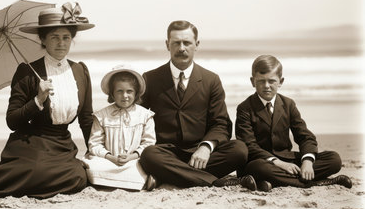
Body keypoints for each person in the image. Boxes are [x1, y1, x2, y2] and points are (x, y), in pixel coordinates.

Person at [0, 3, 95, 200]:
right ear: (43, 39)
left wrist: (93, 152)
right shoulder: (27, 72)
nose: (61, 43)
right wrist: (38, 100)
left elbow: (86, 118)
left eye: (66, 37)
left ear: (72, 39)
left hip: (63, 145)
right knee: (38, 171)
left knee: (78, 178)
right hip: (32, 143)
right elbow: (12, 121)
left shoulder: (80, 71)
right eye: (54, 37)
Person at [139, 20, 256, 190]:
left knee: (239, 150)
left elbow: (221, 123)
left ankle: (169, 176)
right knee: (149, 155)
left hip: (202, 154)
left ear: (197, 44)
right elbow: (136, 115)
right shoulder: (150, 78)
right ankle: (215, 182)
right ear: (167, 45)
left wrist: (206, 147)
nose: (181, 48)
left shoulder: (211, 80)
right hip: (165, 153)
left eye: (187, 42)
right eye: (176, 43)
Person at [235, 54, 352, 191]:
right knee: (259, 168)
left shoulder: (288, 104)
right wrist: (279, 164)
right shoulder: (245, 108)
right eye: (261, 81)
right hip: (261, 161)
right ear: (252, 81)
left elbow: (305, 137)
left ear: (281, 82)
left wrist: (307, 162)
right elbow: (250, 145)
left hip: (287, 159)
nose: (266, 86)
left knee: (334, 159)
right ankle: (316, 182)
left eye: (271, 81)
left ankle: (275, 182)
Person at [83, 65, 156, 190]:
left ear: (136, 92)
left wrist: (131, 157)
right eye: (119, 91)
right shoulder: (101, 116)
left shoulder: (145, 115)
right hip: (108, 160)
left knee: (140, 166)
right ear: (112, 93)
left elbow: (149, 143)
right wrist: (111, 157)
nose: (125, 96)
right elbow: (94, 144)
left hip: (133, 160)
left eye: (129, 91)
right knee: (93, 165)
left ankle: (125, 180)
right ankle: (128, 181)